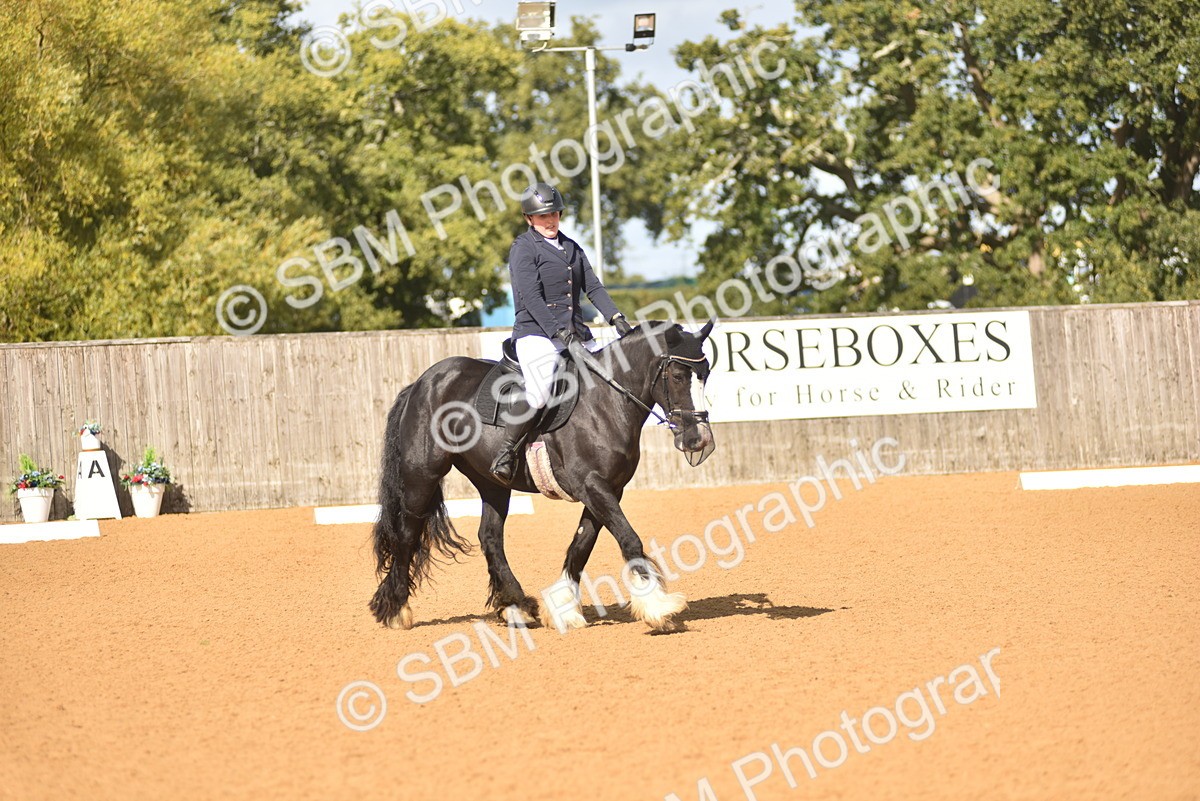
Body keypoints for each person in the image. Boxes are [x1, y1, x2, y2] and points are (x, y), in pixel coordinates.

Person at [489, 182, 634, 483]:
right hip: (536, 334)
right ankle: (505, 452)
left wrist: (616, 317)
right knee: (540, 392)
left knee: (609, 378)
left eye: (554, 214)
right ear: (529, 218)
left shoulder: (571, 247)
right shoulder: (523, 248)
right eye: (543, 216)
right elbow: (530, 297)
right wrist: (559, 333)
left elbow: (592, 287)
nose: (551, 220)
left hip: (575, 333)